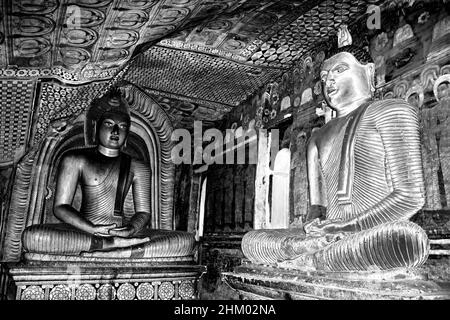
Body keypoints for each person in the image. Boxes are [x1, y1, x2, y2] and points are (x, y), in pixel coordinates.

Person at [241, 26, 429, 272]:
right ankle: (314, 256)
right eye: (324, 76)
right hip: (330, 237)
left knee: (407, 240)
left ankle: (308, 260)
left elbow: (410, 197)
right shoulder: (317, 137)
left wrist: (345, 227)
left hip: (371, 233)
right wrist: (315, 228)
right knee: (252, 241)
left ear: (368, 72)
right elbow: (317, 209)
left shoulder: (392, 110)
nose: (329, 80)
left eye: (340, 70)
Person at [22, 88, 195, 259]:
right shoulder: (75, 159)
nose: (115, 131)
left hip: (123, 234)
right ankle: (113, 247)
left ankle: (120, 248)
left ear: (127, 134)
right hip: (85, 231)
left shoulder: (137, 166)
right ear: (95, 128)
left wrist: (131, 230)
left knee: (186, 241)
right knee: (34, 237)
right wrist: (92, 229)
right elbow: (60, 207)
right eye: (109, 124)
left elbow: (143, 212)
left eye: (122, 127)